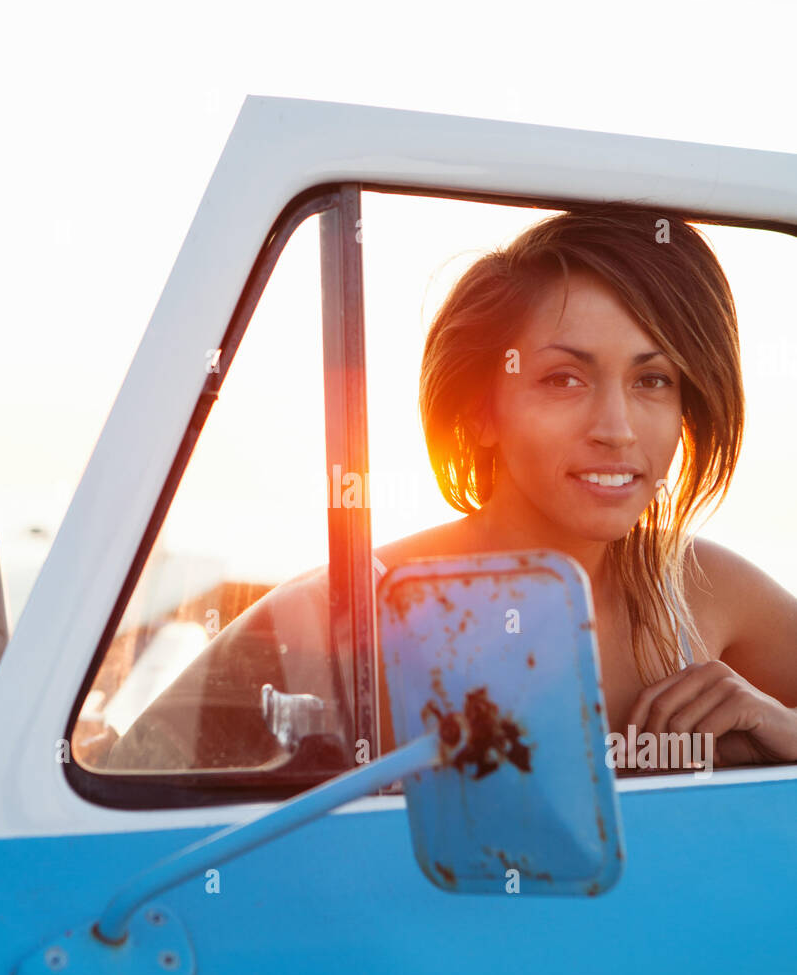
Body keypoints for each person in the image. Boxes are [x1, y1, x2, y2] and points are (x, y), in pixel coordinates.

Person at [106, 202, 797, 775]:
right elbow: (119, 794)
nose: (616, 429)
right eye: (564, 379)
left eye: (653, 381)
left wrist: (773, 724)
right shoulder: (346, 613)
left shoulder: (705, 593)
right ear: (479, 410)